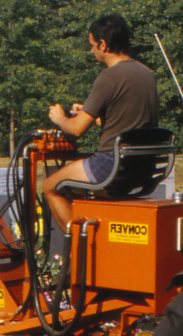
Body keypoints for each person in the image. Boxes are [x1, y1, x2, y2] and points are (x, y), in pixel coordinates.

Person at [42, 13, 158, 228]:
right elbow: (128, 121)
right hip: (142, 168)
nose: (91, 50)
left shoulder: (109, 76)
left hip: (111, 166)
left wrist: (60, 118)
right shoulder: (146, 73)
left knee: (50, 185)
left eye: (92, 45)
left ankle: (77, 250)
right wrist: (93, 114)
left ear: (103, 45)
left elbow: (76, 130)